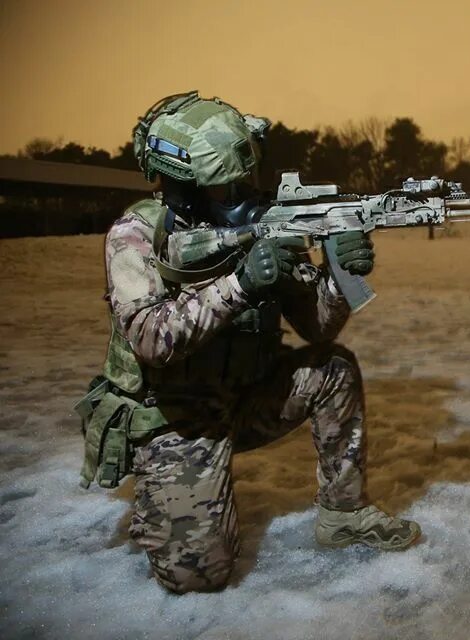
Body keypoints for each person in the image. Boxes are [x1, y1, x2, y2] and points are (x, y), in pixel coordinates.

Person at [76, 91, 420, 594]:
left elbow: (318, 328)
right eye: (225, 187)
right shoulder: (137, 234)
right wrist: (240, 285)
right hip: (176, 419)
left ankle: (342, 515)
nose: (241, 194)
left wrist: (340, 272)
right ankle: (163, 492)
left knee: (334, 370)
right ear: (182, 186)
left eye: (246, 180)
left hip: (246, 396)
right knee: (198, 576)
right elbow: (150, 339)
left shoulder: (268, 222)